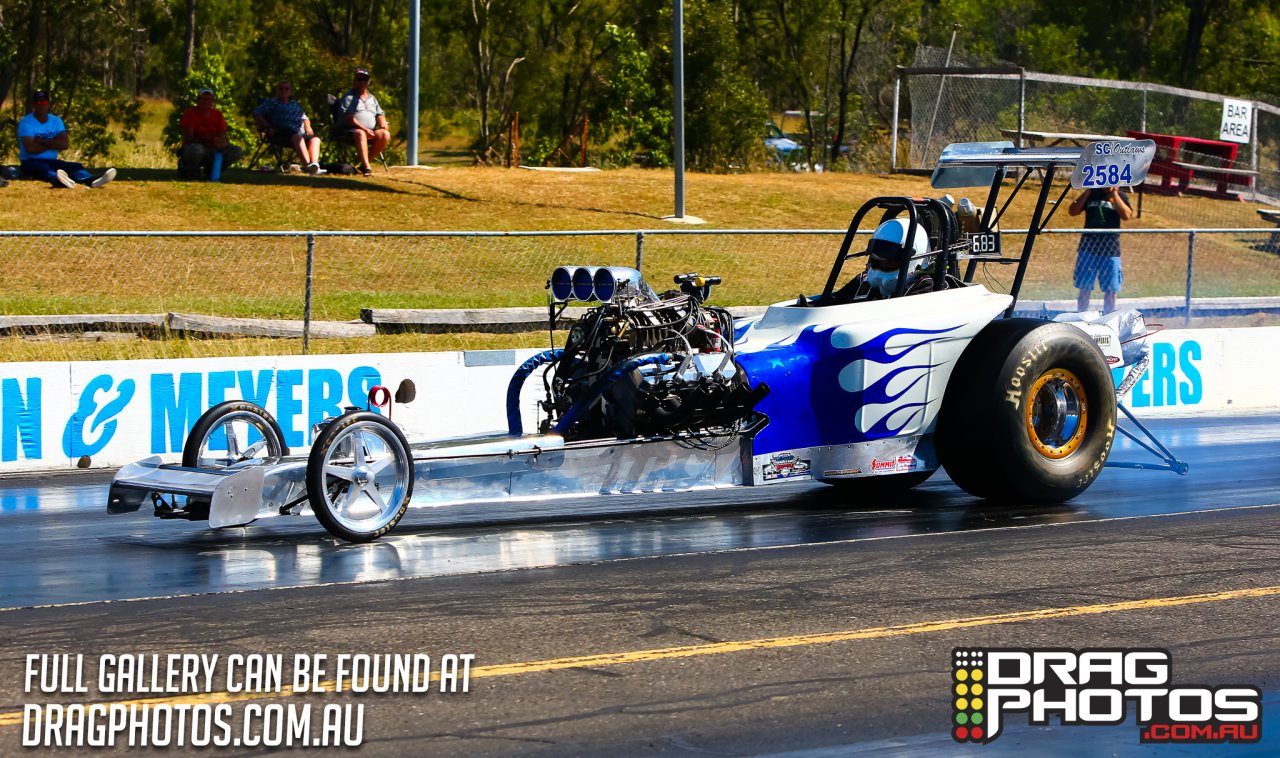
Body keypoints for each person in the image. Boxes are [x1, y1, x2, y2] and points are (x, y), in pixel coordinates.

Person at [17, 90, 116, 189]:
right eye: (38, 102)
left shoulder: (56, 121)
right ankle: (58, 180)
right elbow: (31, 148)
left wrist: (43, 141)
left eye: (44, 102)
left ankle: (91, 180)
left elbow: (64, 144)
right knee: (44, 169)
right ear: (34, 105)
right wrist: (53, 143)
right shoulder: (26, 123)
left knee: (74, 166)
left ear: (49, 104)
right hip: (30, 162)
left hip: (51, 160)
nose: (41, 105)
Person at [830, 217, 935, 302]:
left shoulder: (923, 286)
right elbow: (832, 302)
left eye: (890, 262)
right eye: (879, 259)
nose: (883, 264)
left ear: (915, 261)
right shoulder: (863, 281)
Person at [1069, 186, 1132, 313]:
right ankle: (1082, 316)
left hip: (1110, 250)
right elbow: (1072, 211)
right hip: (1088, 248)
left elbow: (1126, 215)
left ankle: (1108, 318)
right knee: (1084, 287)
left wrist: (1115, 194)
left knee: (1111, 289)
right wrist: (1087, 192)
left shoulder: (1120, 195)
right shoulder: (1091, 193)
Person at [253, 80, 324, 175]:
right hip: (281, 131)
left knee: (315, 139)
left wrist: (308, 127)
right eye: (281, 88)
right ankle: (307, 166)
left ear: (290, 91)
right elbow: (256, 113)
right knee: (297, 137)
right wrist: (268, 127)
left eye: (286, 89)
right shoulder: (271, 103)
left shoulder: (294, 103)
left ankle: (314, 165)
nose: (284, 91)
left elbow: (304, 117)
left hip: (298, 132)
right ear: (276, 91)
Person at [178, 88, 244, 180]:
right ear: (198, 100)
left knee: (237, 151)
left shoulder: (218, 115)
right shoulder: (190, 113)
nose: (206, 102)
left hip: (214, 150)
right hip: (197, 149)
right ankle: (189, 171)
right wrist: (207, 140)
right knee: (196, 149)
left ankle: (212, 171)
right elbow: (188, 138)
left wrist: (222, 142)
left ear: (213, 101)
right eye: (203, 99)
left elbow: (223, 134)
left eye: (209, 99)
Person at [336, 67, 390, 176]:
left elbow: (380, 114)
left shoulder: (372, 98)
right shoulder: (349, 97)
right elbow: (348, 118)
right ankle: (366, 168)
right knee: (360, 133)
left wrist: (383, 123)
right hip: (350, 131)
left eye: (365, 79)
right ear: (354, 80)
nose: (362, 82)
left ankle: (364, 163)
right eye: (359, 79)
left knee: (385, 134)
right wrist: (364, 129)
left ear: (368, 81)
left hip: (369, 130)